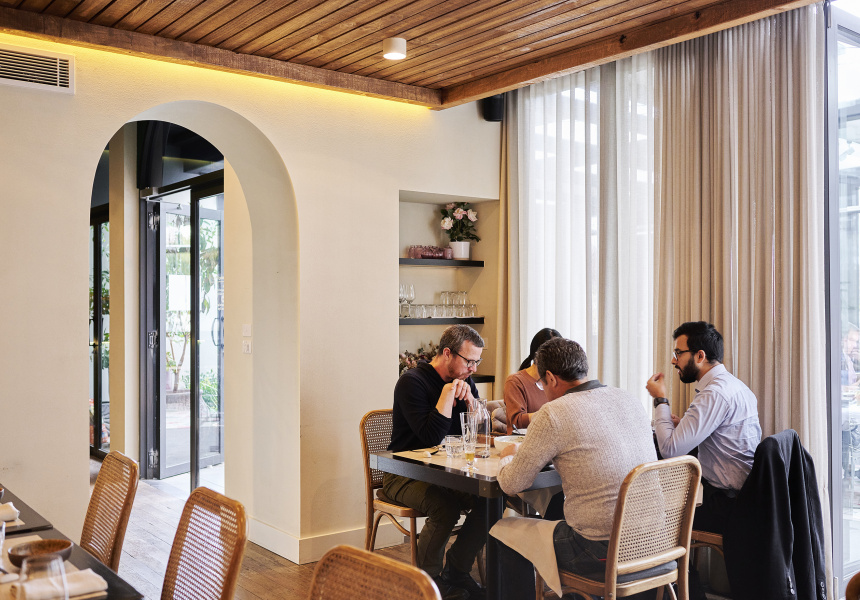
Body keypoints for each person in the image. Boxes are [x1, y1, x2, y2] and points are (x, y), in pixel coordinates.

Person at [496, 337, 659, 598]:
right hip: (657, 541)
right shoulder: (628, 398)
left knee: (503, 532)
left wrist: (508, 457)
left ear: (551, 378)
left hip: (603, 550)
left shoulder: (553, 412)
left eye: (542, 384)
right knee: (559, 513)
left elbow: (512, 483)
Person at [384, 325, 487, 600]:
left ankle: (456, 572)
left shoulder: (466, 380)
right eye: (469, 361)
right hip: (403, 472)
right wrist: (447, 394)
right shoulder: (412, 382)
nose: (473, 368)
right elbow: (430, 437)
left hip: (444, 471)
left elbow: (478, 430)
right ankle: (426, 586)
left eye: (477, 362)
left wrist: (472, 403)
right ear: (447, 353)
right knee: (445, 507)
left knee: (489, 502)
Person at [645, 321, 761, 534]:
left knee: (649, 510)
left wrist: (660, 399)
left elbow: (670, 450)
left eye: (678, 353)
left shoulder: (714, 394)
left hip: (724, 505)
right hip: (742, 497)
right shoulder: (735, 386)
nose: (673, 360)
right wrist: (684, 425)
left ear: (700, 356)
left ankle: (671, 561)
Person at [504, 328, 561, 434]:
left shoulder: (557, 380)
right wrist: (548, 415)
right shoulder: (515, 381)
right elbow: (516, 421)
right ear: (537, 356)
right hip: (523, 440)